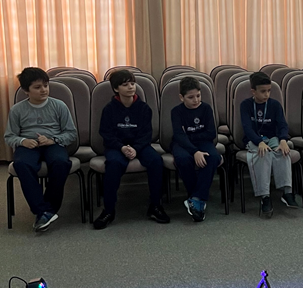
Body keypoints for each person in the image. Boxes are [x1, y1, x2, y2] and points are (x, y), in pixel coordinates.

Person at [94, 69, 169, 229]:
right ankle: (109, 210)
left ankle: (155, 206)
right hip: (117, 147)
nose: (130, 87)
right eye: (125, 85)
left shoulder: (143, 108)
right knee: (113, 164)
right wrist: (121, 147)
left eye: (132, 83)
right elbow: (106, 133)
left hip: (139, 146)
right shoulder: (109, 109)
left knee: (156, 161)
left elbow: (146, 133)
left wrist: (135, 148)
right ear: (116, 89)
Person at [4, 67, 76, 231]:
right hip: (28, 145)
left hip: (52, 143)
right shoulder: (17, 110)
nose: (43, 90)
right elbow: (9, 136)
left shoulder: (59, 105)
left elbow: (71, 133)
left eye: (45, 85)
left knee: (61, 162)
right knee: (22, 164)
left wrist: (53, 140)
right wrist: (22, 141)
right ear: (26, 90)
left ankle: (47, 211)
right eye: (37, 87)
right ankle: (43, 211)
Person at [240, 71, 298, 218]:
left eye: (269, 91)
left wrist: (283, 140)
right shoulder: (245, 105)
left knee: (283, 152)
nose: (266, 94)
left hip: (272, 138)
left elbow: (282, 125)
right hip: (254, 139)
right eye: (263, 91)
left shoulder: (275, 105)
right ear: (253, 91)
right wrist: (259, 142)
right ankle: (264, 196)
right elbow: (247, 128)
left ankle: (287, 192)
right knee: (263, 154)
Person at [171, 76, 221, 222]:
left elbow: (211, 133)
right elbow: (179, 136)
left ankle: (196, 199)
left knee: (213, 157)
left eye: (198, 96)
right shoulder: (176, 111)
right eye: (191, 97)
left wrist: (190, 136)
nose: (196, 100)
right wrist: (195, 151)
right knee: (183, 159)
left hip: (203, 142)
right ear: (182, 97)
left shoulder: (206, 108)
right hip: (182, 144)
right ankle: (197, 197)